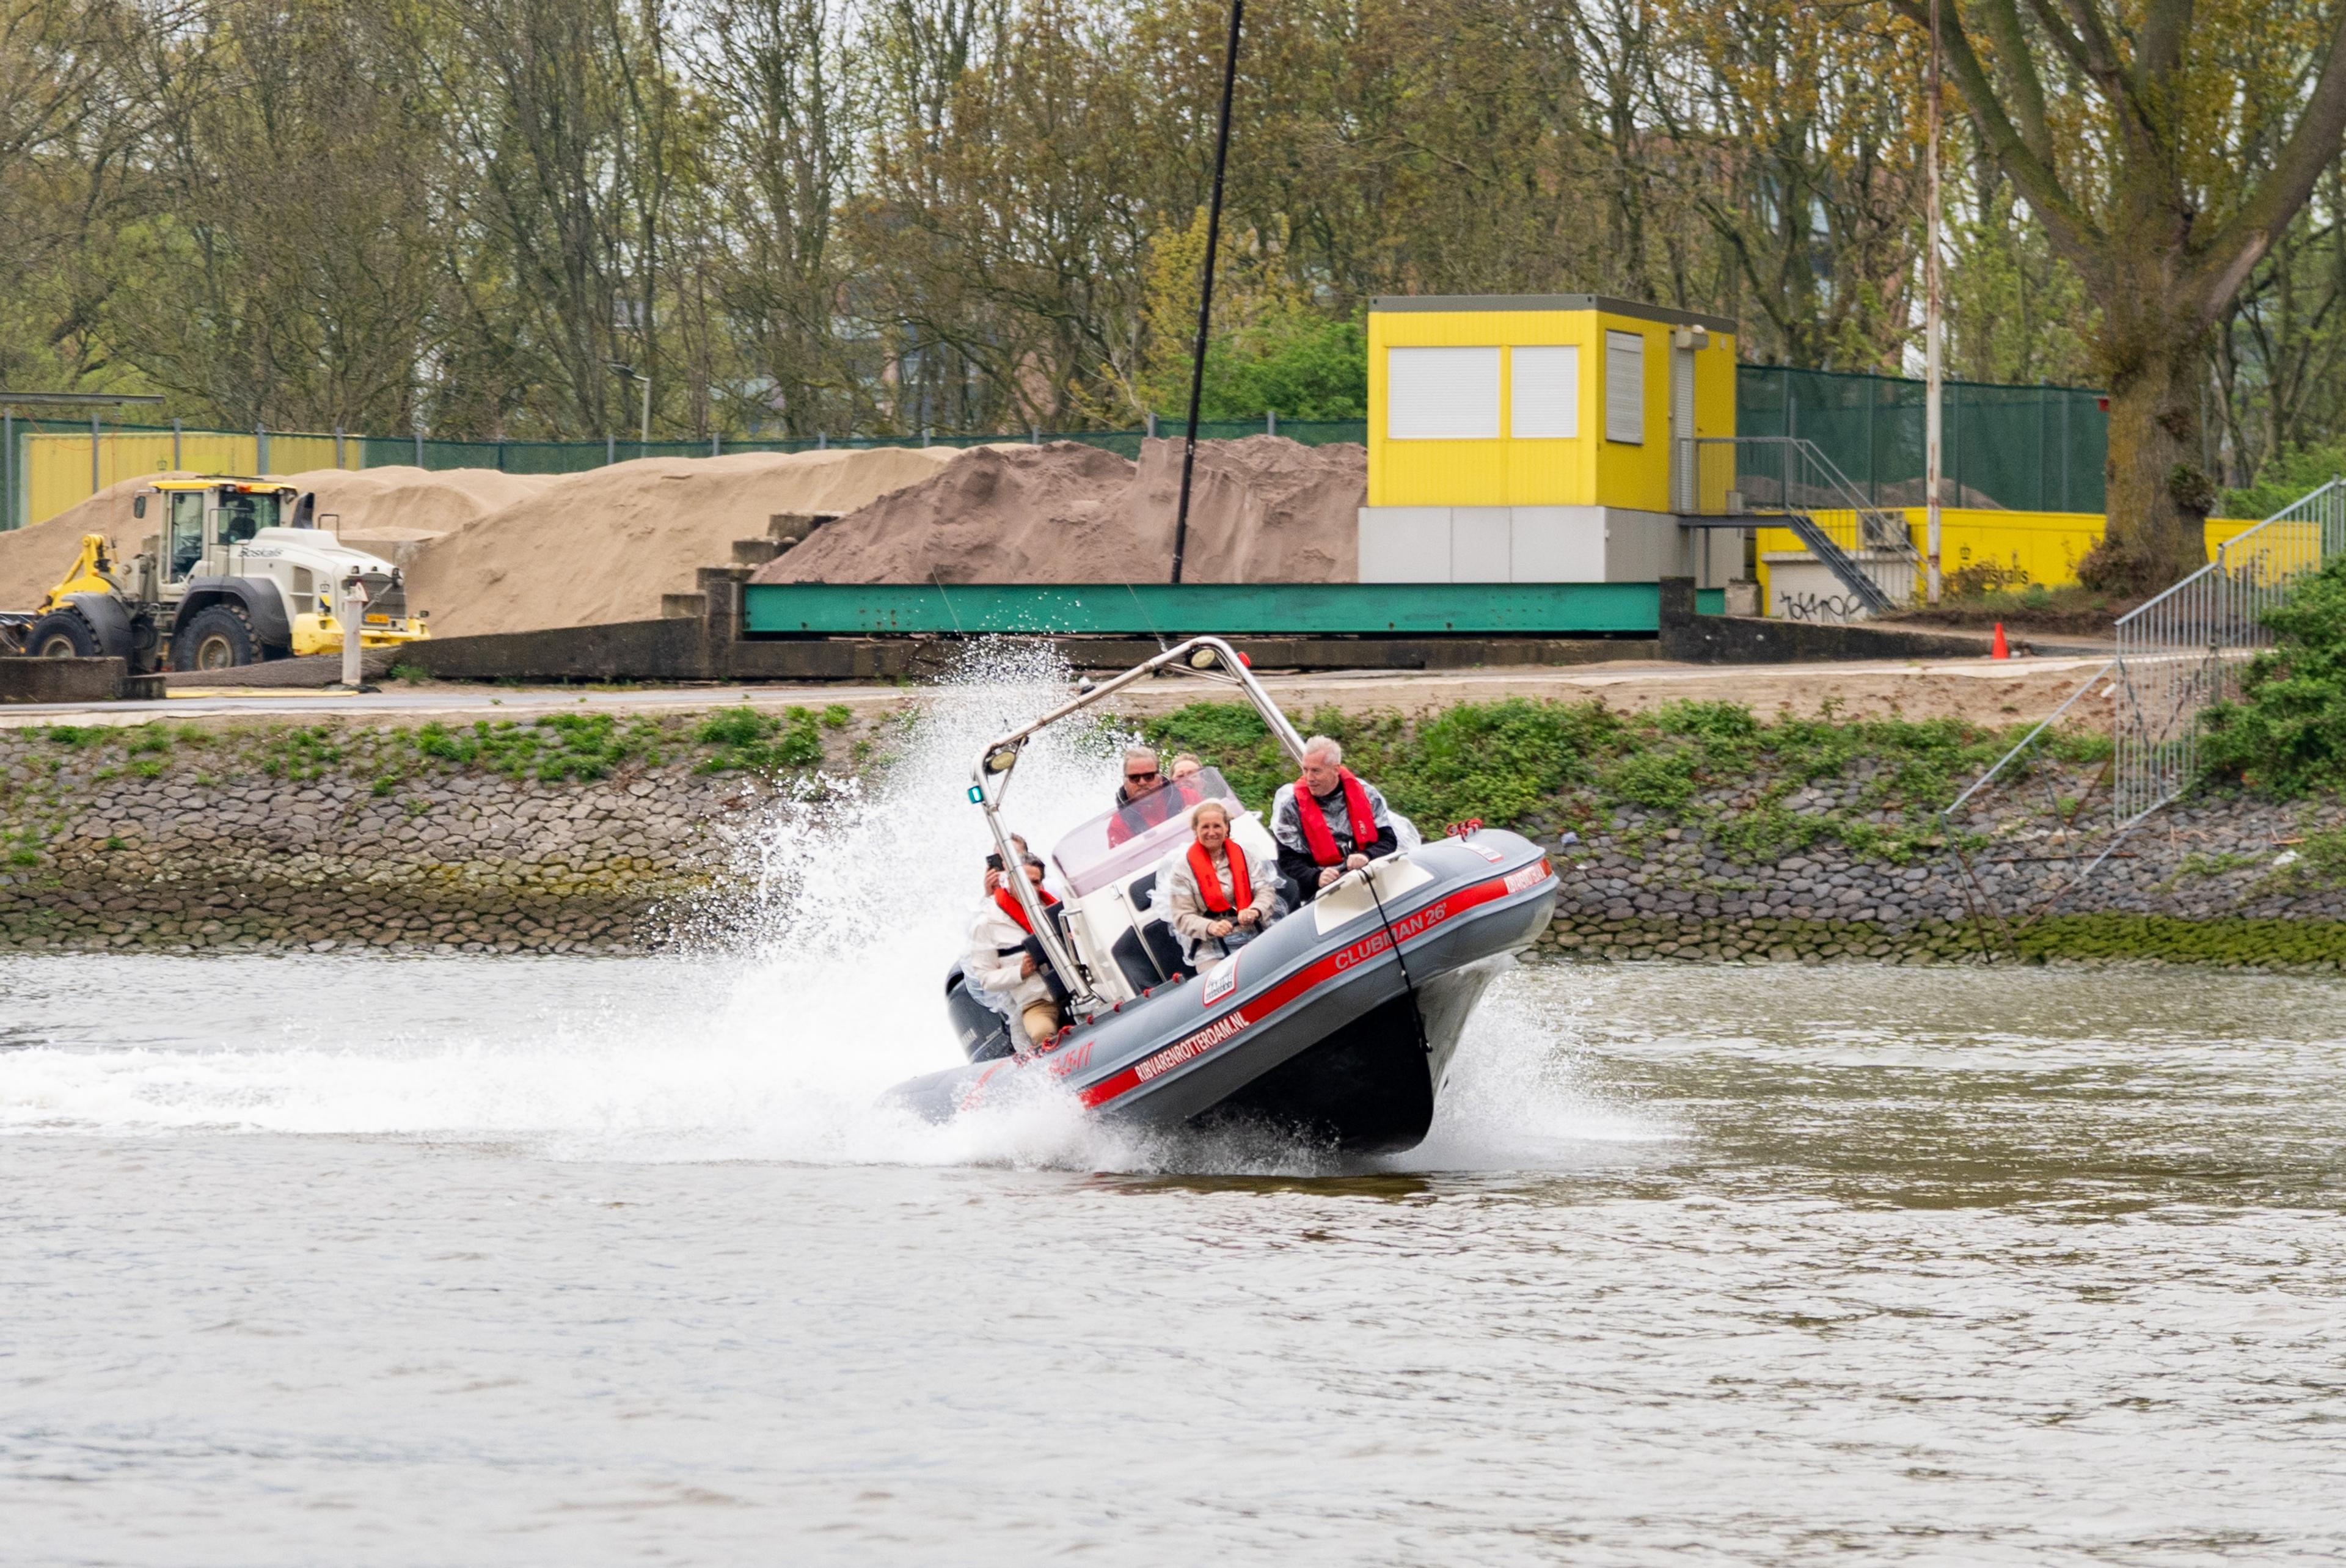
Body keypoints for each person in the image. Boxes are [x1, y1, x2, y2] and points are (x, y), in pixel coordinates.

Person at [1270, 735, 1399, 899]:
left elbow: (1389, 840)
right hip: (1324, 892)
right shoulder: (1291, 806)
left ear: (1336, 770)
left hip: (1370, 876)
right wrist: (1315, 877)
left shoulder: (1367, 795)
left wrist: (1367, 855)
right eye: (1305, 770)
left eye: (1316, 771)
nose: (1309, 778)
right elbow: (1287, 859)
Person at [1163, 799, 1279, 968]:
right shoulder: (1182, 869)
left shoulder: (1244, 855)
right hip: (1211, 947)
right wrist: (1210, 926)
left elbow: (1265, 889)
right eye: (1205, 827)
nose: (1211, 833)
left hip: (1254, 930)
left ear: (1226, 828)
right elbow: (1182, 917)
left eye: (1217, 826)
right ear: (1195, 830)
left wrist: (1255, 910)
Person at [965, 852, 1064, 1047]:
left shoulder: (1056, 909)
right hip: (1037, 1003)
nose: (1030, 888)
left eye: (1035, 882)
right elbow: (986, 978)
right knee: (1042, 1032)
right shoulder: (987, 924)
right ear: (1009, 880)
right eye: (1023, 882)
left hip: (1078, 990)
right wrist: (1020, 972)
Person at [1105, 745, 1200, 846]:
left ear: (1160, 778)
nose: (1142, 782)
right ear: (1125, 782)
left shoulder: (1189, 797)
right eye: (1134, 778)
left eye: (1149, 777)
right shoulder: (1118, 825)